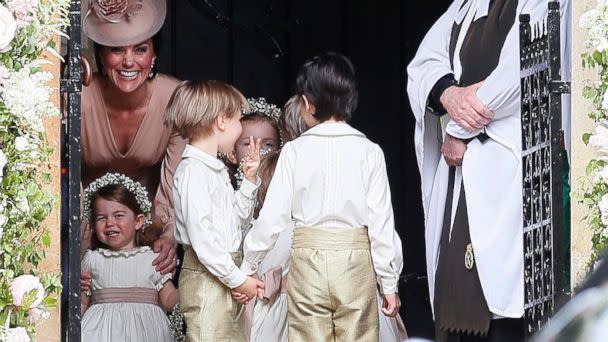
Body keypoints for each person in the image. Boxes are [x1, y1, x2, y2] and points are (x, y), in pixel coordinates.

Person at [407, 0, 550, 340]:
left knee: (508, 302)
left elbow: (521, 69)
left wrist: (459, 129)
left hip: (511, 161)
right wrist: (448, 94)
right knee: (455, 294)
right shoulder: (466, 5)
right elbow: (424, 63)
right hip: (460, 174)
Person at [238, 52, 404, 341]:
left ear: (306, 103)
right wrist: (389, 284)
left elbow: (272, 217)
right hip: (355, 260)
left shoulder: (294, 151)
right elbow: (381, 223)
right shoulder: (370, 151)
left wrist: (248, 265)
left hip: (307, 260)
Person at [80, 0, 184, 274]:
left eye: (140, 49)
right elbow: (64, 175)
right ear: (101, 55)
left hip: (147, 232)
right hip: (87, 226)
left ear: (154, 56)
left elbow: (176, 177)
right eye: (116, 50)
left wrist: (168, 234)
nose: (129, 61)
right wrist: (78, 245)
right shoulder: (79, 98)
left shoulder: (174, 98)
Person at [164, 80, 265, 341]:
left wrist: (249, 181)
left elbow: (236, 220)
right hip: (206, 278)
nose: (241, 127)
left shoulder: (214, 169)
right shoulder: (194, 172)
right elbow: (204, 240)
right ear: (221, 121)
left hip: (223, 271)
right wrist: (238, 279)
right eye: (239, 119)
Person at [80, 173, 179, 342]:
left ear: (138, 221)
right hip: (100, 334)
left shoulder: (152, 259)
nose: (110, 222)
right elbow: (82, 302)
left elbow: (169, 299)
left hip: (147, 334)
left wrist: (193, 288)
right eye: (101, 218)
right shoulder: (92, 259)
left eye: (118, 215)